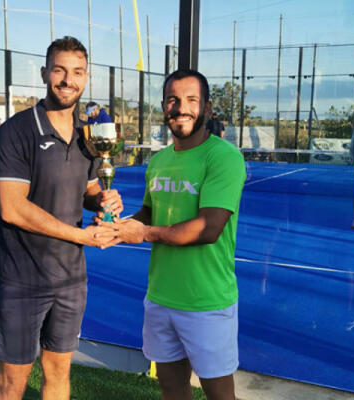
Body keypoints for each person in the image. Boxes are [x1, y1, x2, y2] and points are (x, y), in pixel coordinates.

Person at [99, 69, 246, 400]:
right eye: (172, 100)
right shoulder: (159, 161)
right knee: (172, 388)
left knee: (220, 396)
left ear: (207, 107)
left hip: (206, 301)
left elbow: (209, 227)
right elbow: (149, 213)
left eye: (192, 100)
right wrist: (117, 225)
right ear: (164, 107)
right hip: (160, 297)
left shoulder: (224, 157)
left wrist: (143, 233)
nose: (181, 108)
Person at [0, 36, 123, 400]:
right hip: (22, 280)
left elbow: (88, 191)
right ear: (45, 73)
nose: (68, 80)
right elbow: (12, 208)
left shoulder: (87, 135)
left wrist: (104, 199)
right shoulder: (16, 131)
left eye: (77, 72)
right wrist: (81, 237)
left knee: (59, 373)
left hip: (71, 280)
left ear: (86, 77)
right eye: (60, 70)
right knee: (12, 383)